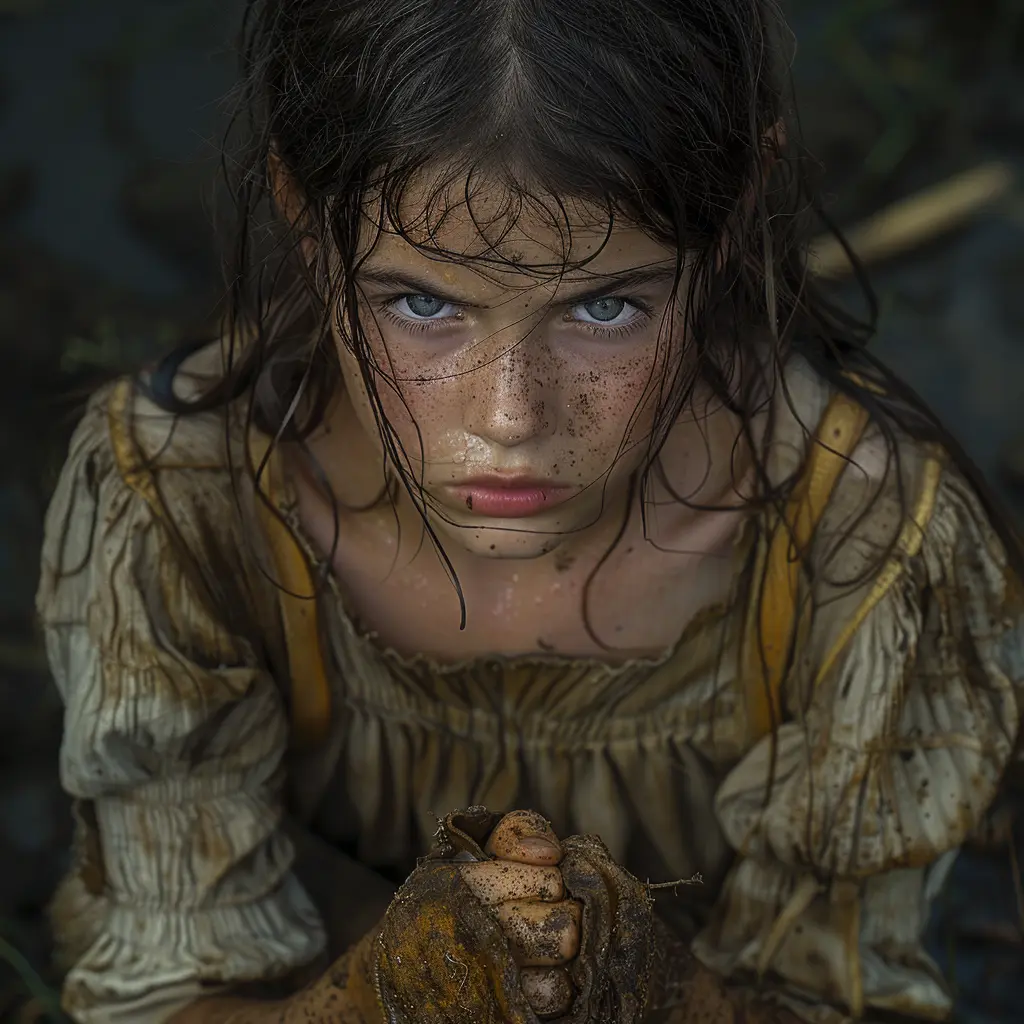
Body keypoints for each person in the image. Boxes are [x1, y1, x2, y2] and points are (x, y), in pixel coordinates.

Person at [35, 0, 1024, 1021]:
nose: (510, 417)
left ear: (737, 207)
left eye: (605, 307)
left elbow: (843, 998)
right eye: (421, 304)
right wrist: (376, 998)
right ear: (296, 201)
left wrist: (648, 984)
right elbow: (163, 995)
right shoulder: (185, 502)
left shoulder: (863, 545)